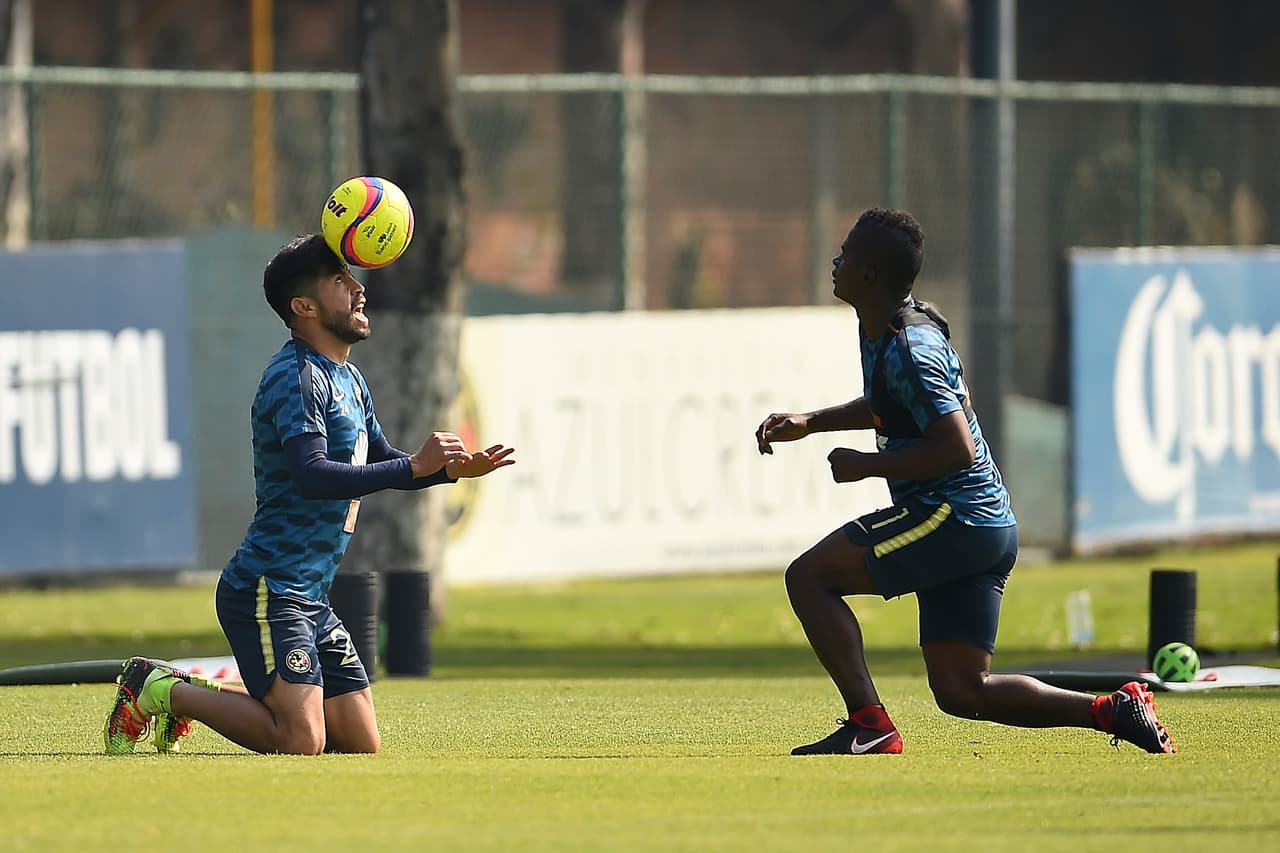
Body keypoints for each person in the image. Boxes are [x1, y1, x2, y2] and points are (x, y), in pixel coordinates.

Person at [754, 208, 1174, 756]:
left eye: (847, 253)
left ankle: (869, 724)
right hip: (983, 523)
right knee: (961, 690)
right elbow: (891, 404)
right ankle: (1112, 710)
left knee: (809, 577)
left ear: (870, 275)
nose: (836, 261)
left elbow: (957, 446)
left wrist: (866, 465)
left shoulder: (911, 348)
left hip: (953, 516)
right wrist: (811, 422)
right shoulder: (889, 326)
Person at [103, 234, 515, 755]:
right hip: (268, 588)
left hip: (311, 595)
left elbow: (382, 462)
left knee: (360, 743)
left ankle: (198, 693)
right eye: (340, 281)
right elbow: (312, 475)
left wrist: (446, 472)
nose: (358, 289)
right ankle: (160, 689)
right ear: (304, 307)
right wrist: (415, 465)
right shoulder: (295, 377)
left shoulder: (349, 380)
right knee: (301, 740)